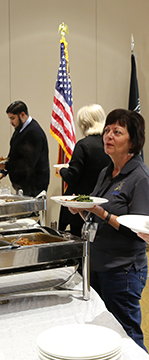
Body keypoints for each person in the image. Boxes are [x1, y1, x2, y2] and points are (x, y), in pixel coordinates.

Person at [68, 109, 149, 351]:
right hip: (98, 265)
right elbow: (97, 214)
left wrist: (102, 213)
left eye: (117, 132)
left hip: (122, 270)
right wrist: (80, 210)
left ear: (132, 142)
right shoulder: (106, 171)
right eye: (106, 131)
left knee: (127, 334)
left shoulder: (140, 177)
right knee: (104, 331)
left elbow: (137, 231)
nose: (108, 136)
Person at [58, 104, 110, 236]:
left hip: (81, 203)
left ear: (84, 124)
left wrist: (61, 171)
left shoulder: (83, 145)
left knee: (79, 245)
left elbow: (72, 176)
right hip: (103, 202)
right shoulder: (110, 145)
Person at [0, 100, 49, 196]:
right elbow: (13, 155)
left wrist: (5, 166)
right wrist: (3, 172)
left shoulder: (33, 132)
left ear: (22, 114)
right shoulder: (19, 129)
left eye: (13, 118)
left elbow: (28, 163)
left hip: (34, 186)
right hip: (23, 185)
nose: (11, 122)